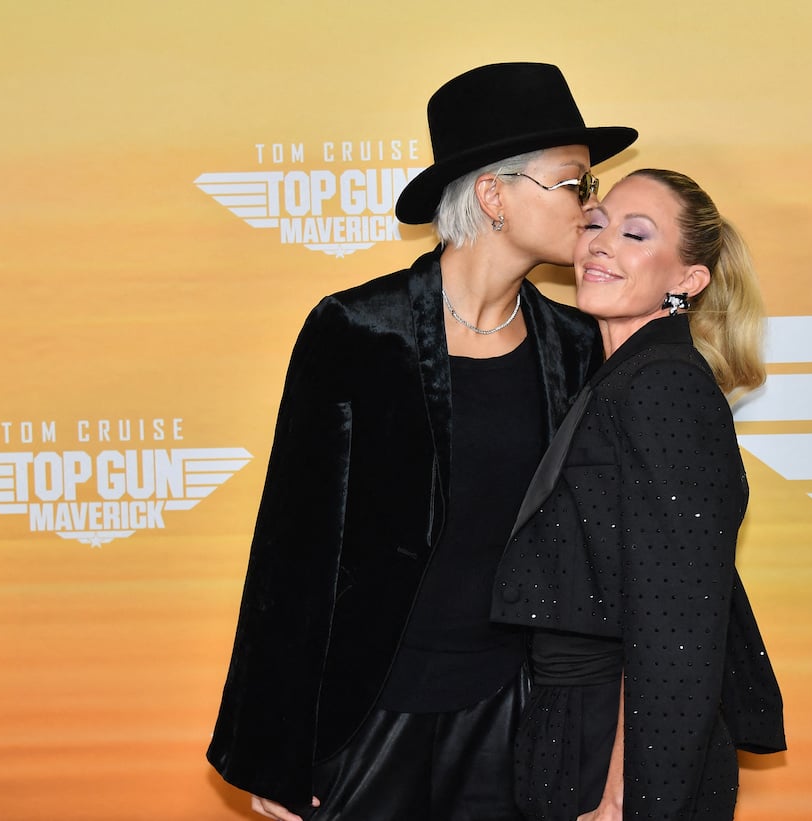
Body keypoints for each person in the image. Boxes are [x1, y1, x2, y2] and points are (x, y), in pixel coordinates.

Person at [205, 62, 637, 821]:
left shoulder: (574, 346)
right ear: (493, 195)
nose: (590, 209)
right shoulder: (357, 332)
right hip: (368, 716)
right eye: (575, 182)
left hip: (514, 715)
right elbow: (294, 548)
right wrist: (271, 741)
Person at [491, 169, 786, 820]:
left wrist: (625, 797)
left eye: (635, 234)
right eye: (595, 223)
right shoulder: (619, 381)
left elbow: (674, 623)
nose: (601, 243)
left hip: (617, 753)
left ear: (688, 280)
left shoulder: (663, 388)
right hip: (577, 728)